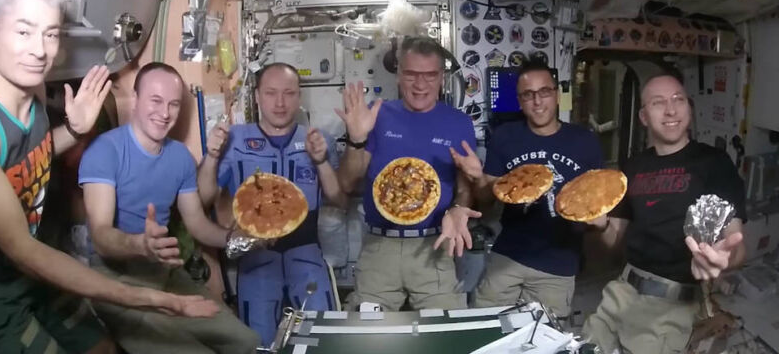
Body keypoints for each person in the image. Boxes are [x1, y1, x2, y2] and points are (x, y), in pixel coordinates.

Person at [0, 0, 217, 354]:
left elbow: (30, 157)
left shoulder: (37, 93)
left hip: (34, 276)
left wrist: (74, 131)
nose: (39, 50)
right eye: (24, 32)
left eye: (50, 34)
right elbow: (24, 250)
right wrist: (150, 298)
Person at [79, 62, 261, 354]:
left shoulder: (180, 157)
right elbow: (101, 236)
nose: (165, 113)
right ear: (136, 100)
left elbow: (197, 223)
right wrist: (139, 244)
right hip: (117, 281)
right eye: (155, 101)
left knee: (247, 342)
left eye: (173, 104)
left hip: (165, 275)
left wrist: (236, 238)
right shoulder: (105, 150)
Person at [582, 73, 746, 354]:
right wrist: (600, 227)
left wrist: (724, 259)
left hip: (673, 302)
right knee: (583, 347)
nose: (671, 110)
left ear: (689, 108)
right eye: (659, 103)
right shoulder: (632, 167)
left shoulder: (714, 163)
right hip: (621, 290)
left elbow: (736, 241)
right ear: (644, 117)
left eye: (678, 100)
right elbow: (614, 241)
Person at [197, 62, 346, 346]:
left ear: (299, 96)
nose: (280, 103)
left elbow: (339, 200)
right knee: (260, 343)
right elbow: (204, 198)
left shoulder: (316, 139)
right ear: (256, 96)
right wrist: (213, 155)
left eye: (289, 93)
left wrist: (321, 162)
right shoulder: (235, 140)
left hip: (307, 254)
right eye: (270, 93)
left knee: (323, 340)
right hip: (256, 258)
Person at [335, 36, 481, 311]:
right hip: (380, 248)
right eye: (412, 74)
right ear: (399, 74)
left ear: (441, 77)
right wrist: (356, 139)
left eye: (429, 75)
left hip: (434, 247)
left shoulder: (459, 123)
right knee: (369, 336)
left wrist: (460, 208)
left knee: (443, 334)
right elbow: (347, 182)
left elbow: (464, 187)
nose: (420, 84)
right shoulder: (375, 115)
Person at [451, 60, 604, 318]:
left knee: (545, 341)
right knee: (485, 328)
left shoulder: (585, 142)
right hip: (507, 256)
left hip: (558, 264)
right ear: (520, 101)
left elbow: (597, 206)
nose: (537, 101)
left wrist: (601, 223)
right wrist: (477, 178)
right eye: (528, 95)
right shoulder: (505, 137)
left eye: (544, 91)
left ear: (556, 94)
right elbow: (487, 202)